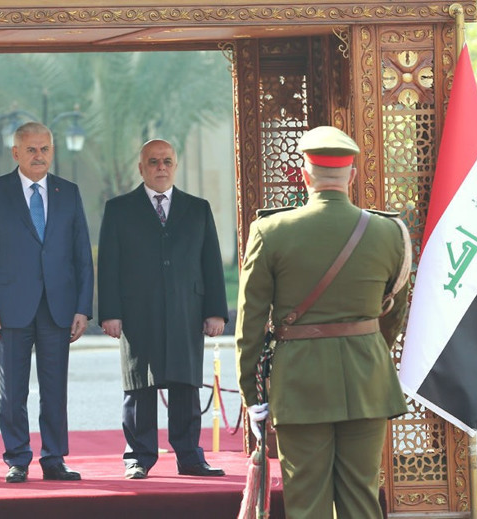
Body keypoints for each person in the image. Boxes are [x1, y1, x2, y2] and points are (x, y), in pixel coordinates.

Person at [235, 126, 411, 519]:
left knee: (307, 501)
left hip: (300, 383)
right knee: (362, 499)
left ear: (304, 175)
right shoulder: (390, 232)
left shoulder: (270, 231)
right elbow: (394, 312)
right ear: (352, 175)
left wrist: (252, 393)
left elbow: (250, 323)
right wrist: (368, 351)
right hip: (368, 379)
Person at [0, 121, 94, 484]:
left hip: (58, 307)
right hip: (9, 309)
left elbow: (82, 257)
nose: (39, 156)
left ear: (52, 151)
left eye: (45, 149)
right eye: (31, 150)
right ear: (16, 153)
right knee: (13, 391)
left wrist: (82, 308)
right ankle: (18, 458)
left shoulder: (68, 192)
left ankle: (54, 458)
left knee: (55, 389)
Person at [98, 139, 228, 480]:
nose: (161, 167)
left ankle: (189, 456)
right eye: (153, 161)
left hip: (187, 308)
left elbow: (211, 263)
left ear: (175, 166)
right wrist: (110, 312)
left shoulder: (197, 209)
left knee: (185, 384)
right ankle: (138, 457)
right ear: (141, 168)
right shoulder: (119, 209)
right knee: (139, 384)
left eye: (167, 161)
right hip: (137, 311)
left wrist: (215, 311)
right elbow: (109, 265)